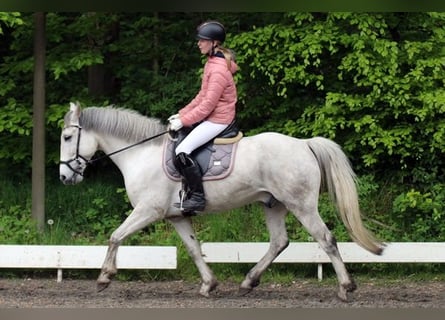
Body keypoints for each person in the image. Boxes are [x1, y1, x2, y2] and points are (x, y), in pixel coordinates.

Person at [168, 20, 238, 212]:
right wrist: (181, 114)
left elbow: (208, 105)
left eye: (203, 40)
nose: (199, 43)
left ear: (214, 43)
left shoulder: (217, 70)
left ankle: (198, 197)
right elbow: (202, 96)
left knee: (182, 151)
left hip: (219, 119)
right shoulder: (212, 63)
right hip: (213, 115)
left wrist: (184, 121)